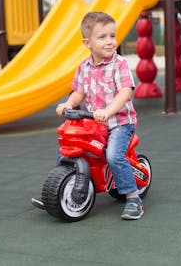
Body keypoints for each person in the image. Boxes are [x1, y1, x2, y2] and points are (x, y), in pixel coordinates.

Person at [32, 11, 143, 220]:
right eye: (102, 37)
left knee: (113, 155)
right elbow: (79, 92)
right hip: (94, 123)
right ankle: (57, 188)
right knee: (69, 150)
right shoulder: (84, 67)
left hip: (119, 123)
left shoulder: (119, 64)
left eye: (112, 36)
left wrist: (109, 110)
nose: (110, 42)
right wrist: (68, 103)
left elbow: (125, 91)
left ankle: (133, 197)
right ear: (87, 42)